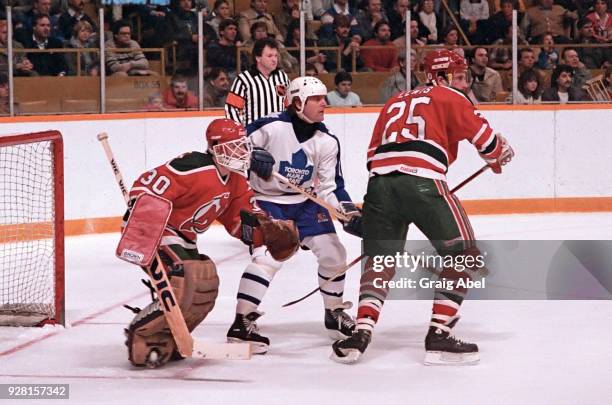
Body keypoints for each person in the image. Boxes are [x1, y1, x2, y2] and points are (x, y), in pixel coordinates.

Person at [330, 49, 514, 365]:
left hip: (380, 185)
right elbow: (488, 143)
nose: (463, 83)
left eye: (464, 76)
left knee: (380, 260)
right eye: (457, 76)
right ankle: (440, 335)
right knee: (464, 254)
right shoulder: (452, 97)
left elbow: (374, 154)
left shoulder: (394, 102)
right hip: (423, 183)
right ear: (437, 77)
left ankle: (360, 333)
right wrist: (500, 153)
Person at [123, 118, 298, 368]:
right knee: (187, 280)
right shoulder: (193, 166)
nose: (241, 152)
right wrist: (141, 208)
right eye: (234, 146)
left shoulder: (236, 180)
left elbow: (240, 219)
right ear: (216, 148)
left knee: (205, 285)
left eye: (242, 146)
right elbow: (147, 184)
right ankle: (142, 332)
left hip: (185, 237)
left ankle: (170, 336)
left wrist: (267, 231)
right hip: (157, 229)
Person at [226, 76, 362, 354]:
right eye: (317, 98)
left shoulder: (327, 140)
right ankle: (241, 321)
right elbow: (230, 147)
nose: (324, 103)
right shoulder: (269, 127)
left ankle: (334, 313)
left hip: (304, 204)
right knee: (268, 258)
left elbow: (329, 187)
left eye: (325, 97)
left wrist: (347, 212)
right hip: (267, 201)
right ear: (298, 102)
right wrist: (250, 157)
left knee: (334, 253)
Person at [225, 37, 289, 125]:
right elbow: (231, 108)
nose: (274, 59)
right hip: (254, 134)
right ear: (258, 58)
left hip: (278, 134)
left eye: (276, 56)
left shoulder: (282, 77)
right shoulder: (244, 79)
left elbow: (288, 105)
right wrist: (240, 131)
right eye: (269, 56)